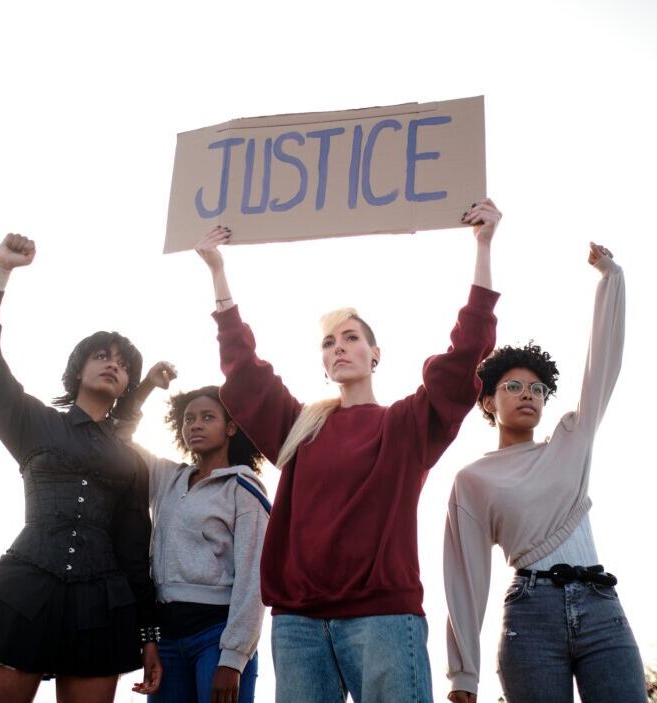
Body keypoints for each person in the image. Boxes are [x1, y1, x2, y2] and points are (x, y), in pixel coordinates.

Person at [193, 200, 502, 703]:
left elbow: (464, 356)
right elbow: (245, 373)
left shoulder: (403, 426)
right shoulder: (300, 427)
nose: (338, 346)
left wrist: (483, 246)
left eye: (351, 337)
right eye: (328, 342)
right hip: (299, 627)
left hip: (382, 619)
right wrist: (217, 272)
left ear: (375, 354)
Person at [0, 233, 162, 703]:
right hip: (23, 589)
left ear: (127, 384)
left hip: (101, 603)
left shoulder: (130, 460)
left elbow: (133, 548)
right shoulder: (33, 422)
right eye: (101, 356)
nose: (112, 365)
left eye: (123, 364)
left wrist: (148, 634)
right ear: (78, 369)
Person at [443, 242, 646, 703]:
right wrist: (463, 675)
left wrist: (610, 279)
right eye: (512, 387)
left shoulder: (570, 442)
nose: (526, 394)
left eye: (536, 388)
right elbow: (465, 576)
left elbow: (603, 367)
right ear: (489, 402)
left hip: (600, 606)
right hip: (531, 616)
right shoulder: (473, 480)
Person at [113, 362, 269, 703]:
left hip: (216, 638)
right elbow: (118, 436)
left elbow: (254, 577)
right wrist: (146, 387)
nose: (195, 424)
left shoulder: (243, 488)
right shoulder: (167, 477)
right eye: (188, 418)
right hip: (166, 640)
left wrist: (233, 658)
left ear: (231, 428)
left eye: (208, 417)